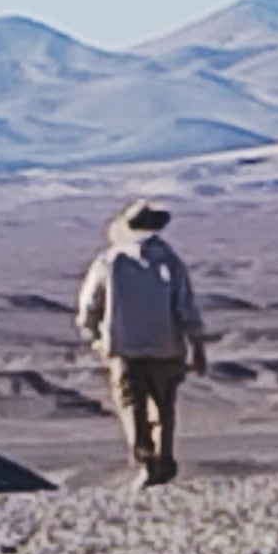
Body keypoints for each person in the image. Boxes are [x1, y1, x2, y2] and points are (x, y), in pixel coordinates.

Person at [76, 200, 208, 486]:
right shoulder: (169, 262)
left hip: (124, 347)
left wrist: (95, 337)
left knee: (132, 406)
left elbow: (89, 304)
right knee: (163, 407)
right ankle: (164, 459)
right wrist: (196, 344)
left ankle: (146, 459)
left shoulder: (109, 261)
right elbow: (185, 305)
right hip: (166, 346)